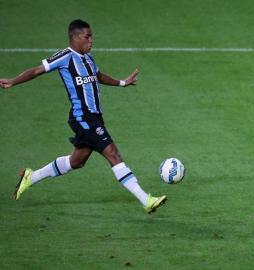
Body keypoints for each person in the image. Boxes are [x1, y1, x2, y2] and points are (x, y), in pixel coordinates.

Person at [0, 19, 166, 214]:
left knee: (76, 161)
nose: (91, 40)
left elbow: (97, 76)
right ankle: (146, 200)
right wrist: (12, 81)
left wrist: (122, 82)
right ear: (75, 37)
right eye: (87, 37)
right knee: (113, 153)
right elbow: (36, 70)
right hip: (83, 117)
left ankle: (31, 176)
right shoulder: (64, 57)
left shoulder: (88, 58)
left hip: (95, 117)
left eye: (91, 36)